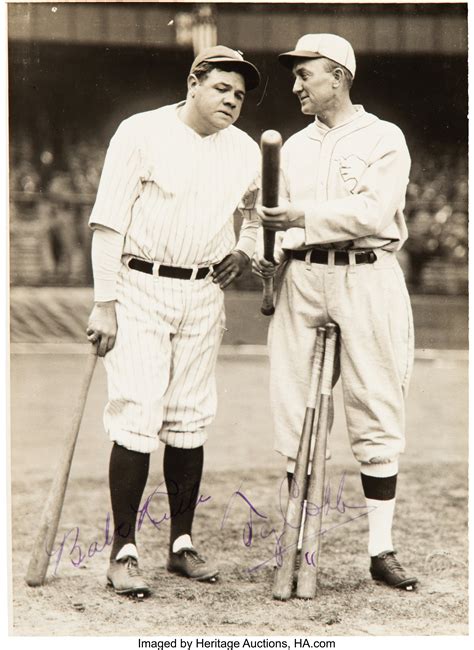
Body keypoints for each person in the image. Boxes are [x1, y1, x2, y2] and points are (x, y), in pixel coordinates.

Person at [86, 46, 261, 597]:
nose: (232, 100)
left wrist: (248, 246)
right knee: (137, 412)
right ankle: (123, 550)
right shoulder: (140, 131)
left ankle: (181, 543)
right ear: (193, 82)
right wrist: (104, 302)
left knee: (189, 417)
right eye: (221, 88)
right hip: (139, 284)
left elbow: (258, 209)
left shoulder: (246, 150)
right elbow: (108, 223)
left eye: (239, 95)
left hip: (204, 290)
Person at [253, 34, 417, 590]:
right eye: (296, 76)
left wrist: (297, 213)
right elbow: (262, 218)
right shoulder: (291, 147)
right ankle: (298, 536)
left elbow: (373, 212)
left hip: (367, 275)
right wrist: (264, 252)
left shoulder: (383, 139)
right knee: (296, 407)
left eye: (306, 75)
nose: (296, 85)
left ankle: (380, 547)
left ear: (339, 77)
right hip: (303, 277)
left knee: (375, 403)